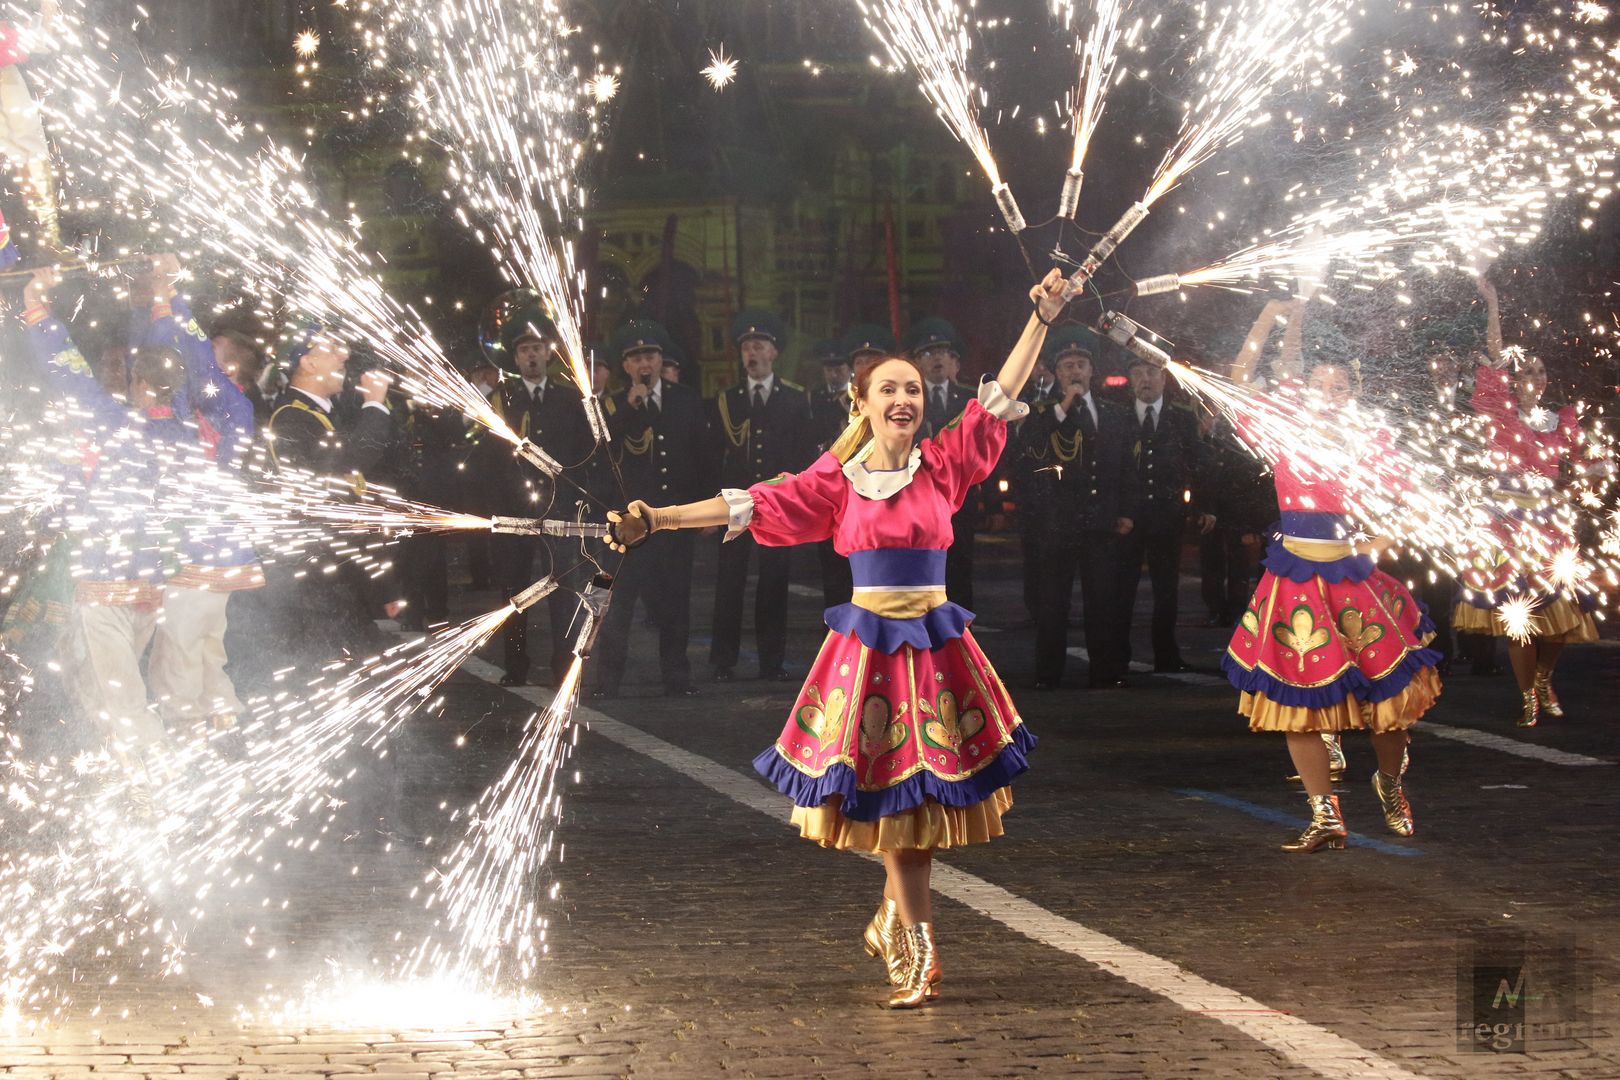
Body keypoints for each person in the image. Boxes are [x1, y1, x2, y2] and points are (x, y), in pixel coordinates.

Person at [604, 269, 1068, 1009]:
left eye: (912, 389)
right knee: (892, 805)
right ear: (862, 402)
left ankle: (902, 926)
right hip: (868, 660)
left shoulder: (943, 466)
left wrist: (1039, 317)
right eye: (888, 389)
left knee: (918, 811)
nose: (904, 399)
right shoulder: (837, 481)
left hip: (937, 650)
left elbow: (1001, 400)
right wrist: (656, 519)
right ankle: (913, 939)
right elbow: (749, 505)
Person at [1221, 297, 1442, 851]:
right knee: (1297, 706)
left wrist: (1377, 541)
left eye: (1339, 387)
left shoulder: (1370, 444)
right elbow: (1240, 378)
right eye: (1318, 386)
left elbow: (1416, 503)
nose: (1326, 395)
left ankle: (1389, 780)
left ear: (1354, 394)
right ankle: (1326, 817)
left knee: (1388, 711)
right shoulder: (1284, 431)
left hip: (1353, 580)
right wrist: (1270, 316)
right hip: (1294, 581)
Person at [1454, 276, 1601, 726]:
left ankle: (1543, 676)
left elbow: (1585, 461)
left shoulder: (1564, 418)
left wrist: (1594, 473)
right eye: (1525, 371)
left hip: (1548, 520)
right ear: (1512, 382)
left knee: (1561, 611)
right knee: (1518, 613)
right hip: (1504, 519)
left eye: (1540, 371)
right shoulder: (1499, 411)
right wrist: (1493, 302)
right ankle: (1527, 697)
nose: (1533, 377)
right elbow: (1497, 354)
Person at [133, 256, 263, 736]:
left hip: (202, 547)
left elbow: (188, 351)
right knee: (207, 640)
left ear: (232, 372)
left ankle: (184, 721)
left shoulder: (231, 404)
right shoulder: (204, 405)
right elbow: (171, 355)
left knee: (181, 639)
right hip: (217, 545)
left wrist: (169, 292)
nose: (202, 356)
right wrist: (159, 301)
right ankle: (220, 713)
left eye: (214, 354)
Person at [592, 318, 706, 698]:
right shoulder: (610, 404)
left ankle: (676, 675)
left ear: (661, 360)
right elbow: (601, 453)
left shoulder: (687, 400)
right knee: (617, 604)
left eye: (651, 355)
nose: (645, 363)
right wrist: (628, 407)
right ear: (626, 366)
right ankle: (608, 680)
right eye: (636, 357)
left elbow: (701, 457)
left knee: (675, 602)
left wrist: (707, 510)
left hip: (672, 521)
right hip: (627, 526)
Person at [480, 305, 593, 686]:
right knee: (515, 590)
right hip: (515, 512)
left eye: (537, 348)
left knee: (564, 587)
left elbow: (581, 453)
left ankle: (563, 663)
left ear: (548, 353)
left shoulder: (567, 399)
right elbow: (490, 460)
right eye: (523, 350)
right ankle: (516, 665)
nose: (531, 355)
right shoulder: (502, 399)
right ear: (515, 358)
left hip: (559, 508)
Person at [1019, 327, 1136, 689]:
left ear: (1091, 370)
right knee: (1054, 603)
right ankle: (1048, 673)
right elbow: (1031, 446)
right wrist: (1063, 405)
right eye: (1068, 365)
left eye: (1081, 364)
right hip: (1058, 523)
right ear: (1056, 372)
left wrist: (1126, 511)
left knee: (1102, 600)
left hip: (1100, 520)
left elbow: (1125, 467)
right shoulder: (1042, 412)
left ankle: (1104, 670)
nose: (1075, 371)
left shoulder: (1113, 412)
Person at [707, 310, 814, 681]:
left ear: (773, 352)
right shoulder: (727, 399)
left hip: (777, 505)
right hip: (735, 505)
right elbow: (715, 456)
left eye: (758, 346)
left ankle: (772, 660)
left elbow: (803, 458)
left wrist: (799, 505)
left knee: (773, 583)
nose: (751, 353)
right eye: (746, 348)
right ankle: (723, 661)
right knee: (729, 583)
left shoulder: (796, 399)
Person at [1114, 355, 1215, 673]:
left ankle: (1166, 653)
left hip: (1166, 514)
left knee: (1166, 588)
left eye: (1152, 372)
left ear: (1164, 378)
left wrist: (1204, 505)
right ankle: (1117, 655)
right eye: (1138, 373)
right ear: (1130, 379)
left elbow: (1199, 463)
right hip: (1126, 517)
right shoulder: (1118, 415)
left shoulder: (1181, 417)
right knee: (1122, 587)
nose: (1145, 379)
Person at [907, 317, 979, 607]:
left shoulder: (971, 399)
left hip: (959, 498)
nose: (937, 358)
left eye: (944, 353)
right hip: (916, 496)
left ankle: (960, 642)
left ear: (955, 363)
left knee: (960, 571)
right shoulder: (906, 398)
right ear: (917, 363)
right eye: (928, 353)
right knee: (918, 573)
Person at [809, 338, 856, 607]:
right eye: (828, 368)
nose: (834, 372)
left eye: (838, 367)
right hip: (827, 487)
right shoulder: (814, 398)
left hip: (855, 484)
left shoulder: (859, 398)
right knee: (830, 565)